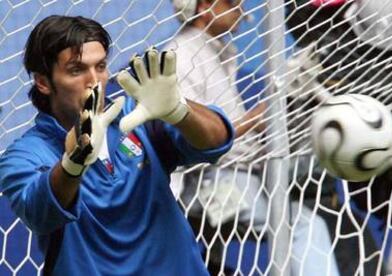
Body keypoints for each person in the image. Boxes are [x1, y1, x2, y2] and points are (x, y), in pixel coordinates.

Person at [0, 15, 235, 275]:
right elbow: (39, 212)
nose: (94, 80)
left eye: (100, 66)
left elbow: (218, 142)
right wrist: (74, 160)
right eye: (76, 70)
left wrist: (180, 111)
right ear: (43, 82)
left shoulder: (139, 115)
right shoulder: (25, 154)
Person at [167, 0, 340, 275]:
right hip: (210, 181)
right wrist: (262, 114)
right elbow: (192, 138)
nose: (241, 7)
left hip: (242, 176)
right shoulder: (182, 55)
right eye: (231, 1)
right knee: (302, 225)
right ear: (204, 7)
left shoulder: (216, 52)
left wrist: (289, 101)